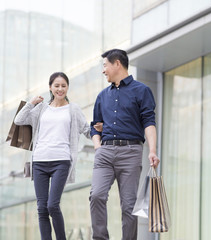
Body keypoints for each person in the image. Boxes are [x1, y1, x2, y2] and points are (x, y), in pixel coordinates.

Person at [89, 49, 160, 240]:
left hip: (130, 151)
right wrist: (98, 147)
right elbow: (94, 127)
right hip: (105, 151)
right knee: (96, 195)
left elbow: (149, 122)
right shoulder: (102, 96)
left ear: (117, 63)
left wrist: (152, 150)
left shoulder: (142, 91)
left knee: (128, 206)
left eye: (105, 65)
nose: (103, 70)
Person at [14, 72, 91, 240]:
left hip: (61, 161)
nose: (60, 89)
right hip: (40, 161)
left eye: (63, 86)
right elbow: (19, 120)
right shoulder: (41, 108)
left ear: (67, 88)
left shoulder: (73, 109)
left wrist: (99, 131)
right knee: (42, 208)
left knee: (52, 205)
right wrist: (31, 103)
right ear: (50, 87)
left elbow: (87, 130)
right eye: (56, 86)